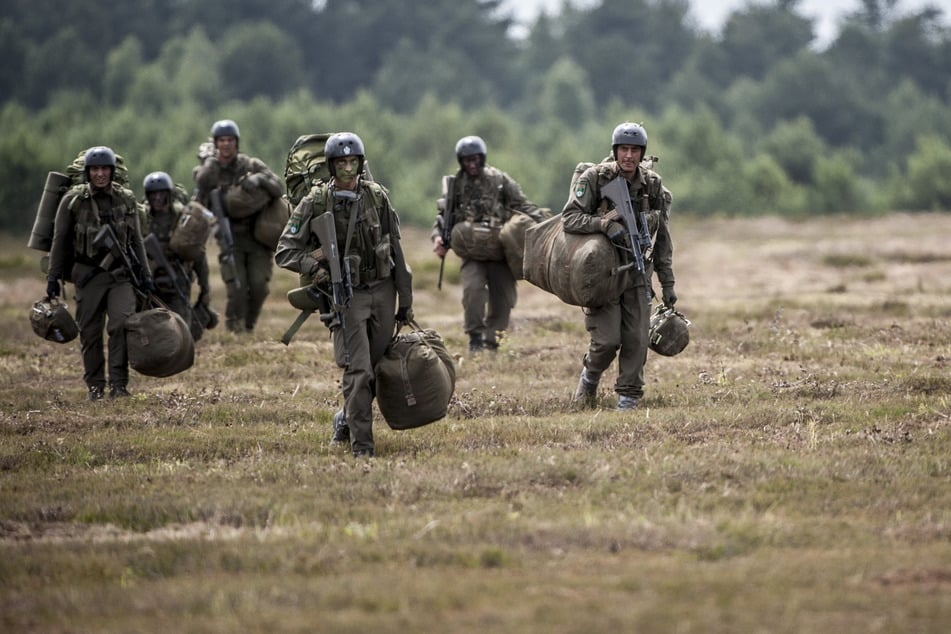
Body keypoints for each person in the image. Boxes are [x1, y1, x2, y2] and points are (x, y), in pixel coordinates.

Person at [275, 132, 414, 459]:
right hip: (347, 298)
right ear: (331, 166)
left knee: (378, 369)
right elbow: (285, 251)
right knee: (359, 371)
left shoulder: (377, 197)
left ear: (361, 164)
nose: (348, 169)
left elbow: (396, 248)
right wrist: (316, 267)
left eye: (353, 162)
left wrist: (405, 300)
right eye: (341, 163)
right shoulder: (315, 202)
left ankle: (346, 419)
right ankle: (363, 448)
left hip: (382, 290)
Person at [562, 122, 677, 410]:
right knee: (607, 342)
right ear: (615, 151)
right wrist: (604, 225)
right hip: (602, 272)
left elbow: (662, 236)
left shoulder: (653, 185)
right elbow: (570, 218)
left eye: (635, 150)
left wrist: (668, 283)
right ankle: (589, 378)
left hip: (638, 273)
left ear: (642, 153)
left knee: (637, 339)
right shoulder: (595, 179)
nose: (629, 156)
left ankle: (627, 399)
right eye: (624, 149)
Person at [45, 146, 154, 401]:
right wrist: (52, 277)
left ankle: (119, 385)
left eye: (105, 169)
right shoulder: (73, 201)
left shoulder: (126, 199)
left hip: (120, 276)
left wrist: (146, 276)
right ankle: (95, 387)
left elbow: (137, 240)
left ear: (113, 171)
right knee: (90, 333)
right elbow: (59, 241)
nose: (101, 174)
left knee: (121, 326)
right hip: (88, 275)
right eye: (95, 169)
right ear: (88, 172)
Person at [431, 135, 547, 352]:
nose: (472, 164)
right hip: (472, 253)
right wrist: (439, 238)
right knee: (472, 293)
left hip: (499, 251)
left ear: (482, 158)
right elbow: (443, 218)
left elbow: (523, 205)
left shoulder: (500, 180)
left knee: (503, 299)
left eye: (475, 159)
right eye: (467, 160)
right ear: (461, 161)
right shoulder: (455, 187)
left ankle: (493, 342)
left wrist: (545, 223)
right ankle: (475, 338)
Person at [193, 119, 283, 333]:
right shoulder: (209, 171)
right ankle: (235, 328)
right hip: (229, 236)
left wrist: (260, 180)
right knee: (237, 287)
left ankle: (248, 326)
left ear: (236, 142)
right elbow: (201, 188)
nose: (226, 145)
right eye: (221, 140)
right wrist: (211, 163)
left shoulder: (250, 165)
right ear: (215, 143)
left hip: (257, 237)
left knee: (259, 286)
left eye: (230, 140)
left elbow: (278, 187)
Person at [141, 171, 213, 341]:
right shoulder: (141, 218)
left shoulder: (180, 217)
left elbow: (198, 256)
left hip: (178, 278)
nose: (157, 198)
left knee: (181, 329)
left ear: (169, 194)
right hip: (149, 280)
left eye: (161, 194)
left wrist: (205, 287)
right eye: (153, 194)